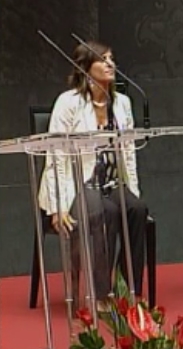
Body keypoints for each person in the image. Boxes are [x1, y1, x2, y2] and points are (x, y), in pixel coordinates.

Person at [38, 41, 148, 307]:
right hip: (77, 185)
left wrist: (132, 191)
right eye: (103, 59)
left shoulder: (122, 103)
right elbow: (56, 156)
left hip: (111, 182)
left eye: (112, 58)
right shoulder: (69, 103)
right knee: (105, 212)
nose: (111, 64)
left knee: (137, 209)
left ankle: (127, 289)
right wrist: (58, 207)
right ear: (86, 69)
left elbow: (128, 153)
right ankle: (101, 295)